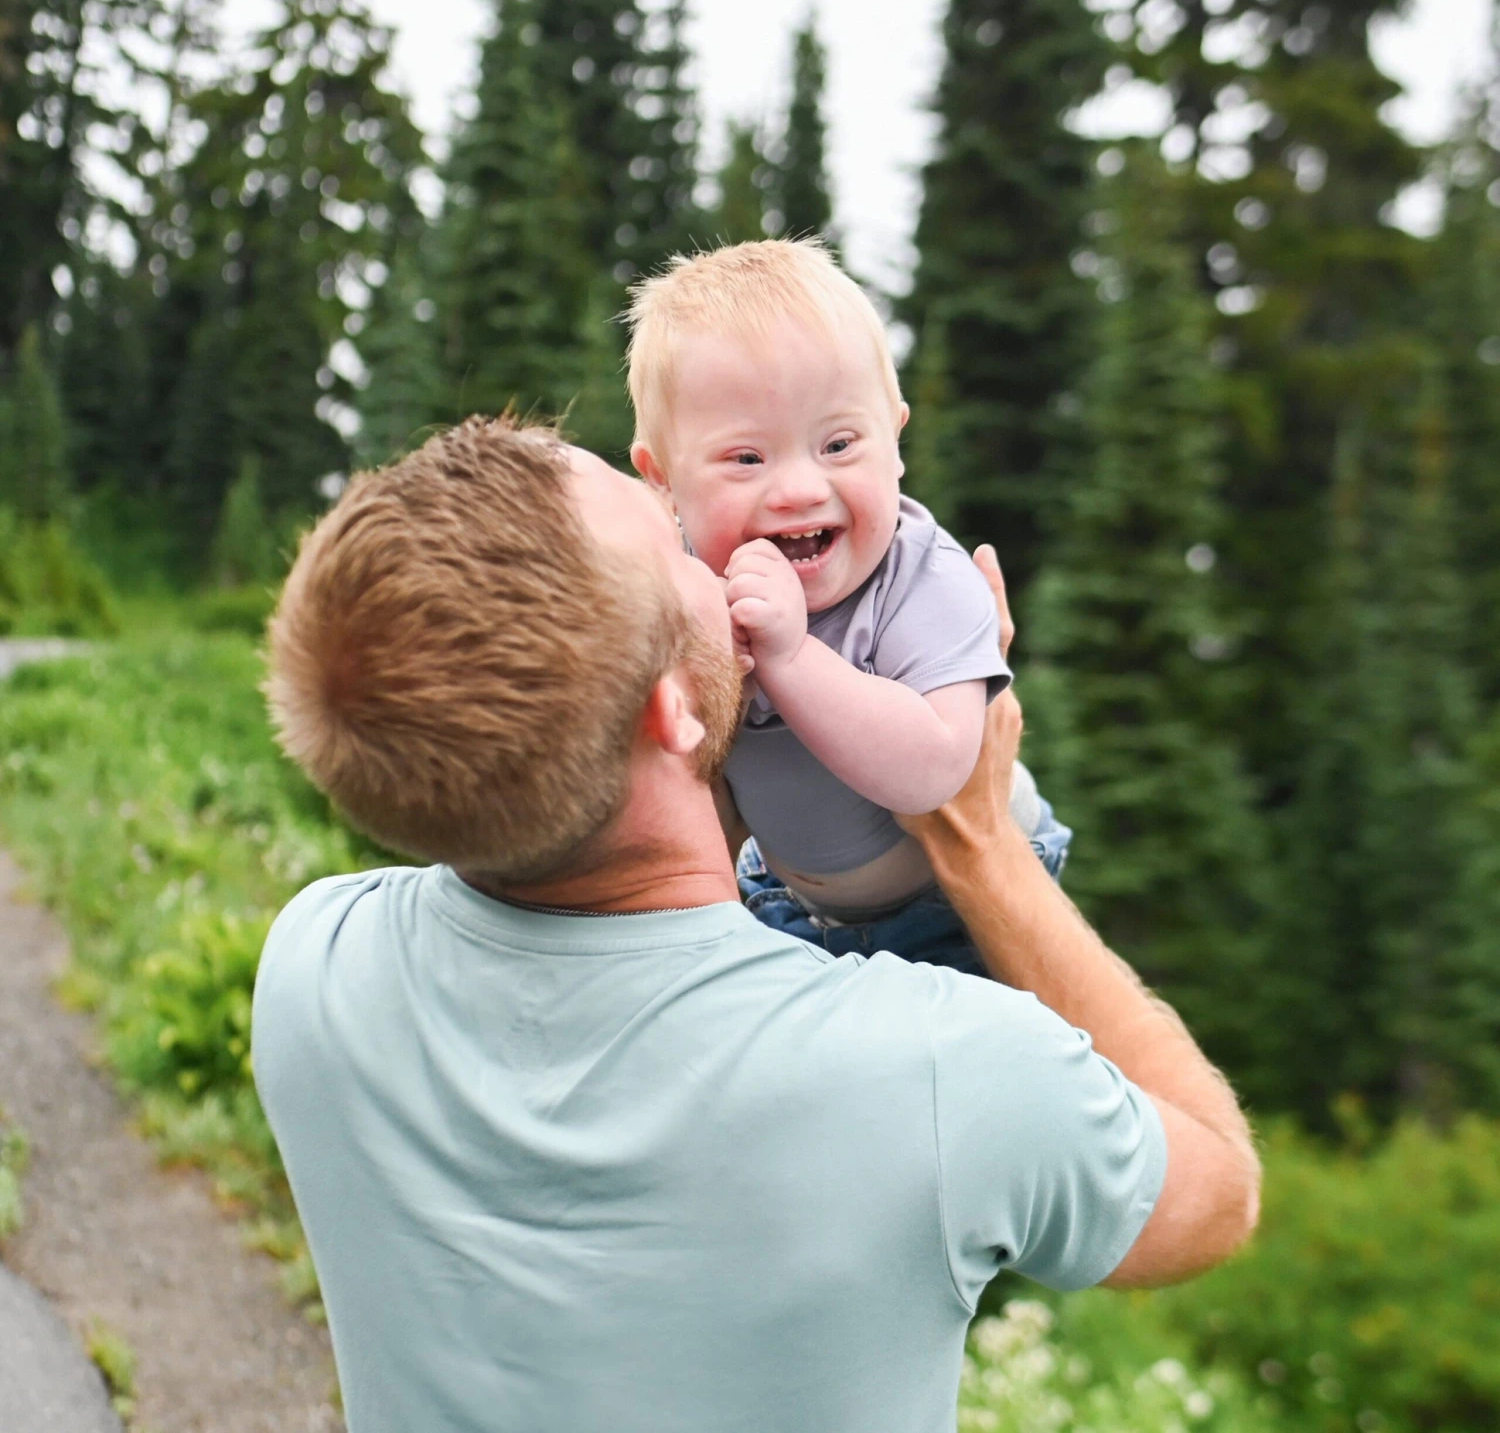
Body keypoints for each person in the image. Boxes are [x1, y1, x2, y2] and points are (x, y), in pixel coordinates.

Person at [253, 414, 1259, 1433]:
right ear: (670, 712)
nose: (715, 548)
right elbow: (1218, 1190)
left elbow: (627, 841)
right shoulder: (935, 1069)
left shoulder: (314, 967)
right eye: (671, 542)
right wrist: (977, 838)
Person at [626, 238, 1069, 975]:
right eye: (747, 459)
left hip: (950, 907)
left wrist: (790, 657)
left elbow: (934, 772)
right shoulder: (688, 589)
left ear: (895, 441)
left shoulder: (924, 577)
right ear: (663, 480)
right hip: (787, 898)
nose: (800, 488)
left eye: (837, 444)